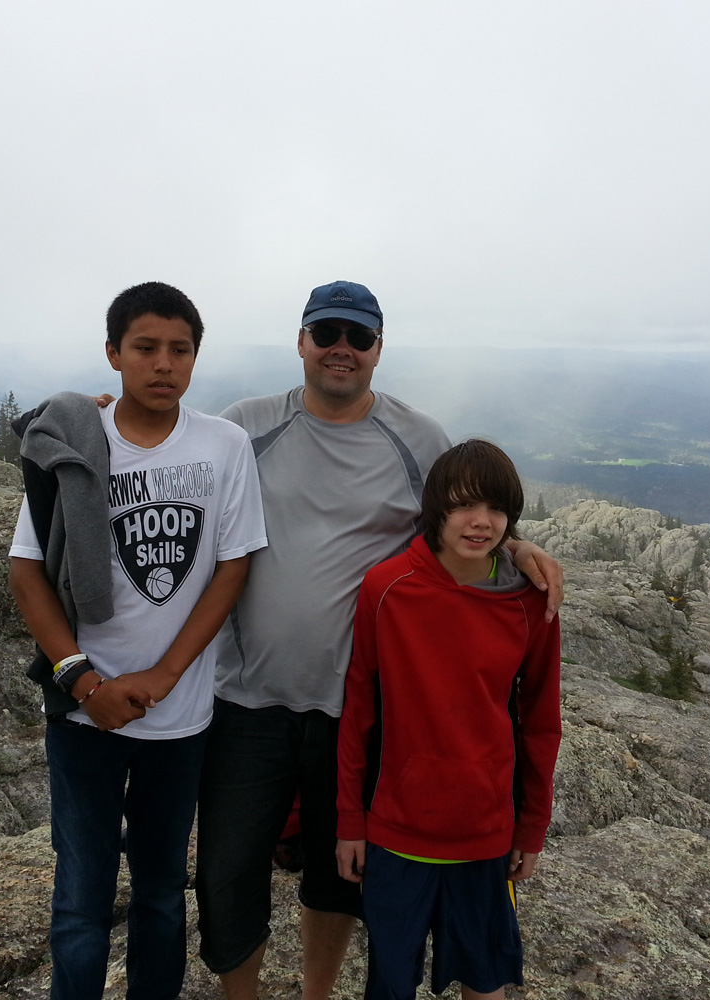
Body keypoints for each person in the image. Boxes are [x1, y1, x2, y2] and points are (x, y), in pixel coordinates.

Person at [193, 280, 563, 1000]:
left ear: (378, 350)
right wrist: (104, 418)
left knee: (337, 880)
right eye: (327, 333)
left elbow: (469, 505)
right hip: (247, 699)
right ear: (301, 341)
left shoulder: (416, 437)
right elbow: (168, 462)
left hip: (353, 709)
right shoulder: (245, 426)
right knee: (227, 872)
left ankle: (315, 995)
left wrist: (516, 548)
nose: (342, 349)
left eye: (358, 338)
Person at [8, 281, 268, 1000]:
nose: (163, 364)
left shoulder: (223, 445)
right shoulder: (75, 443)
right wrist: (83, 681)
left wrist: (161, 675)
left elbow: (232, 565)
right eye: (146, 348)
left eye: (179, 350)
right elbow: (27, 569)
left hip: (177, 719)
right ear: (113, 354)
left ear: (195, 357)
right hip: (81, 715)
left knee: (159, 890)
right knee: (81, 897)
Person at [335, 438, 562, 1000]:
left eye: (495, 510)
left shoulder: (530, 602)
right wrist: (350, 823)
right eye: (463, 505)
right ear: (436, 508)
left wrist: (531, 827)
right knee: (390, 983)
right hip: (396, 831)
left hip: (485, 832)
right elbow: (358, 709)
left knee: (485, 979)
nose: (479, 522)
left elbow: (540, 719)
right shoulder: (386, 588)